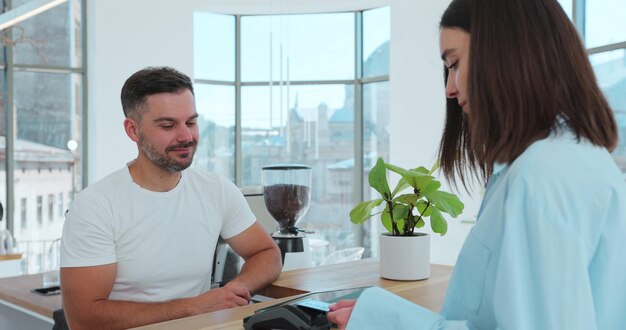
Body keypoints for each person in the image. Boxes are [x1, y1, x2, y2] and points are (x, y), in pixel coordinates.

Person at [327, 0, 626, 328]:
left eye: (454, 63)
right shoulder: (578, 159)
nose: (449, 88)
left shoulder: (542, 175)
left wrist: (386, 321)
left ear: (505, 52)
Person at [60, 66, 282, 330]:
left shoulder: (216, 190)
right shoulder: (96, 206)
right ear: (133, 130)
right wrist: (196, 306)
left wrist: (235, 288)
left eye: (191, 122)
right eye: (168, 125)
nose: (186, 136)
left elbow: (266, 253)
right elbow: (84, 318)